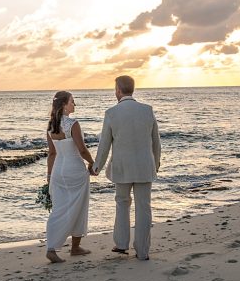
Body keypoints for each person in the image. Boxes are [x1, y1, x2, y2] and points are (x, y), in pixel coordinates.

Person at [91, 75, 161, 260]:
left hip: (122, 168)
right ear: (132, 89)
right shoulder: (147, 110)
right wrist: (157, 163)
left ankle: (121, 244)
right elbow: (156, 142)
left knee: (122, 203)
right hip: (145, 166)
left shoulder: (112, 113)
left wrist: (97, 166)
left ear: (118, 90)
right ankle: (143, 250)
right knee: (144, 207)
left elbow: (104, 144)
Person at [44, 91, 94, 263]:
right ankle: (73, 247)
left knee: (59, 208)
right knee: (79, 207)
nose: (75, 105)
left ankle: (55, 247)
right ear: (65, 104)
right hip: (75, 171)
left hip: (58, 171)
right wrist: (93, 163)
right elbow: (82, 150)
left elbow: (52, 153)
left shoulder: (51, 125)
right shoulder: (73, 123)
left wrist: (49, 175)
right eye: (72, 101)